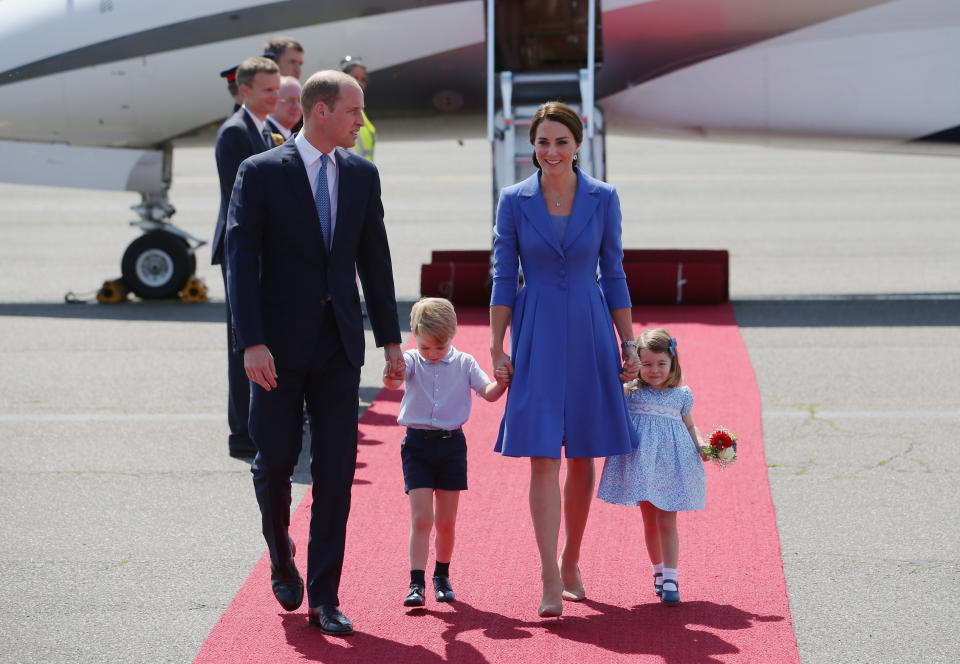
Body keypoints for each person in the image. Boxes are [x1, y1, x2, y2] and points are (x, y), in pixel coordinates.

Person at [225, 69, 403, 636]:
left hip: (338, 345)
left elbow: (375, 260)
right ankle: (281, 554)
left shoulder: (361, 174)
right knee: (274, 463)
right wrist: (250, 341)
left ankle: (325, 595)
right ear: (320, 111)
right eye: (354, 112)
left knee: (336, 471)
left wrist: (390, 338)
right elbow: (240, 263)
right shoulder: (259, 173)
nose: (361, 121)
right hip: (274, 348)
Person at [489, 101, 641, 617]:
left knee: (582, 455)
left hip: (590, 328)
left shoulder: (603, 197)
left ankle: (572, 558)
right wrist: (496, 345)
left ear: (578, 144)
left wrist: (629, 342)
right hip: (535, 333)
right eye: (542, 142)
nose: (550, 152)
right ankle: (548, 574)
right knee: (541, 455)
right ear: (531, 146)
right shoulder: (513, 200)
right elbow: (503, 275)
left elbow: (614, 272)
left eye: (560, 142)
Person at [382, 298, 507, 608]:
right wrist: (391, 372)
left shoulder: (464, 363)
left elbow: (487, 393)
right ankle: (415, 582)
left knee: (447, 521)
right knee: (422, 518)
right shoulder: (412, 360)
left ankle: (442, 575)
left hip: (452, 446)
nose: (432, 354)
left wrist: (503, 382)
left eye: (438, 348)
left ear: (452, 334)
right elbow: (394, 382)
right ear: (416, 337)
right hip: (417, 445)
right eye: (425, 347)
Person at [596, 329, 707, 606]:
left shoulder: (680, 395)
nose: (654, 370)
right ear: (638, 365)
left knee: (667, 521)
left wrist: (702, 445)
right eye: (647, 364)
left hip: (673, 464)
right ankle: (658, 571)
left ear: (673, 363)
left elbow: (690, 425)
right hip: (642, 465)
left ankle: (671, 577)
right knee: (650, 521)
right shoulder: (630, 393)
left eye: (661, 364)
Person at [212, 56, 280, 458]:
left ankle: (260, 422)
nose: (275, 96)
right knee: (243, 338)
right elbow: (241, 200)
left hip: (261, 249)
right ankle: (242, 432)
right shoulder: (234, 133)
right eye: (268, 90)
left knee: (260, 335)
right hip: (242, 249)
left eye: (277, 89)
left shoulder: (265, 128)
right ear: (245, 91)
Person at [341, 56, 375, 161]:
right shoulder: (339, 111)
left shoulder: (361, 111)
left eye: (363, 79)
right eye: (355, 78)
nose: (360, 83)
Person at [265, 75, 302, 140]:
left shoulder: (295, 137)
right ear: (274, 101)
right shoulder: (263, 136)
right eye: (291, 100)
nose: (297, 106)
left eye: (299, 101)